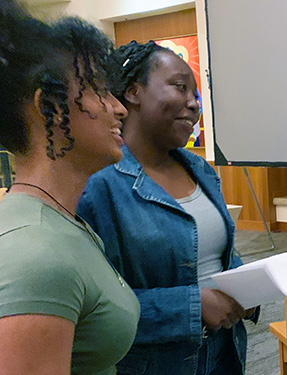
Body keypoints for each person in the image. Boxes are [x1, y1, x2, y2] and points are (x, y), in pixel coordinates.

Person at [77, 41, 258, 375]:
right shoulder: (98, 184)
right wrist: (192, 306)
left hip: (225, 352)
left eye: (196, 95)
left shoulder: (200, 169)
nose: (194, 104)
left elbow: (218, 254)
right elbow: (91, 310)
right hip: (154, 364)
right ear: (133, 92)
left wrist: (247, 286)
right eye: (180, 87)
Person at [0, 4, 139, 375]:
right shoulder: (37, 254)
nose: (118, 108)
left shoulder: (66, 224)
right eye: (97, 90)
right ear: (48, 106)